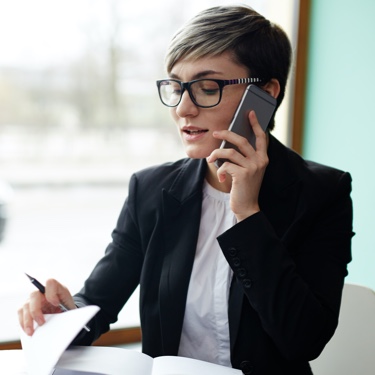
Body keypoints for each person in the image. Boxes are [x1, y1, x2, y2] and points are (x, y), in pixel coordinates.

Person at [18, 5, 353, 375]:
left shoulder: (323, 193)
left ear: (266, 94)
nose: (183, 108)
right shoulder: (150, 189)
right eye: (176, 87)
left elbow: (304, 339)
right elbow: (97, 301)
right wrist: (61, 315)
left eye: (207, 88)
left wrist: (248, 214)